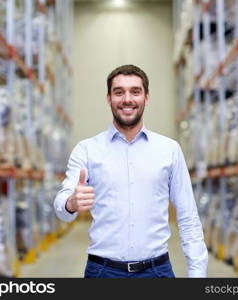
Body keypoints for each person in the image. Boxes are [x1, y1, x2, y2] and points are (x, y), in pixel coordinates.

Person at [54, 64, 207, 278]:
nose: (127, 99)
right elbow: (61, 209)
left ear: (146, 97)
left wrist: (197, 273)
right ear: (109, 98)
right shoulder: (87, 150)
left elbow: (188, 216)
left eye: (135, 91)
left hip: (157, 272)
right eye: (119, 92)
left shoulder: (169, 150)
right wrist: (71, 203)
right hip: (103, 272)